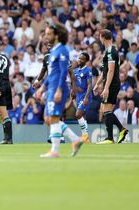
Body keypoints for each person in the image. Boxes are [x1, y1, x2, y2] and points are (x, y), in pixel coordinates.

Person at [36, 24, 84, 158]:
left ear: (56, 36)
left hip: (58, 88)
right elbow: (52, 74)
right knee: (47, 119)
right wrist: (42, 87)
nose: (46, 37)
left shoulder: (62, 50)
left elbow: (64, 72)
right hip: (51, 87)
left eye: (49, 34)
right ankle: (75, 139)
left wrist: (59, 90)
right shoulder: (53, 52)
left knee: (54, 118)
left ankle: (55, 150)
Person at [94, 29, 129, 144]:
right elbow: (105, 71)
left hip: (112, 84)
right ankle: (121, 130)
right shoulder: (109, 51)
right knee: (105, 109)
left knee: (106, 109)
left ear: (103, 37)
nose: (99, 39)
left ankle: (110, 138)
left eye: (100, 37)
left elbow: (111, 70)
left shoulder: (110, 51)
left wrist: (106, 88)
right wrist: (98, 84)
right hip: (111, 83)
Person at [72, 52, 92, 144]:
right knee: (82, 117)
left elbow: (89, 85)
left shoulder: (87, 70)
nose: (79, 60)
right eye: (79, 58)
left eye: (82, 59)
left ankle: (85, 135)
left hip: (85, 95)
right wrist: (73, 92)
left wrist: (87, 97)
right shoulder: (75, 70)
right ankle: (86, 138)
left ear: (86, 61)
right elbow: (74, 83)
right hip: (79, 96)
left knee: (78, 114)